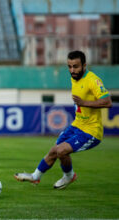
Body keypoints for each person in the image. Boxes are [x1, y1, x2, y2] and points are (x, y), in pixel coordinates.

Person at [14, 51, 112, 189]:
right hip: (77, 125)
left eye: (76, 66)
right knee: (55, 150)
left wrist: (84, 103)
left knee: (61, 151)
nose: (72, 70)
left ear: (84, 65)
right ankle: (35, 176)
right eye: (69, 66)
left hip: (91, 131)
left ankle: (69, 176)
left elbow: (107, 102)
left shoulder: (93, 80)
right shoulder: (75, 77)